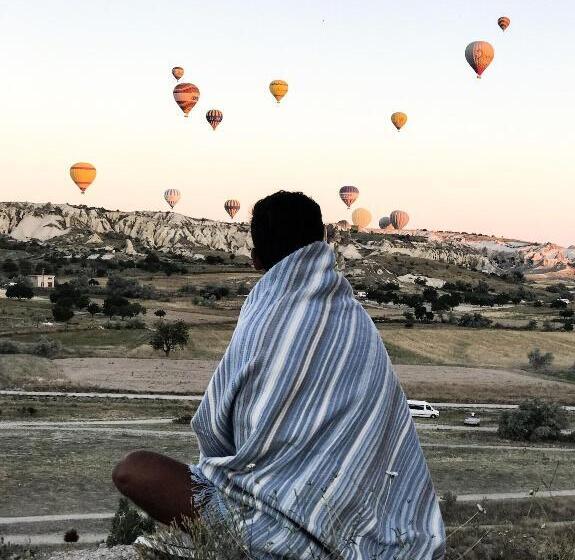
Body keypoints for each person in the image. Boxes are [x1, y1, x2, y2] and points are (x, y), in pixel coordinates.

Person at [112, 190, 445, 559]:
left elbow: (212, 430)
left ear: (255, 260)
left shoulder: (264, 322)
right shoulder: (356, 321)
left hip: (263, 528)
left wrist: (253, 476)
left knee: (133, 470)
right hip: (369, 533)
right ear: (323, 242)